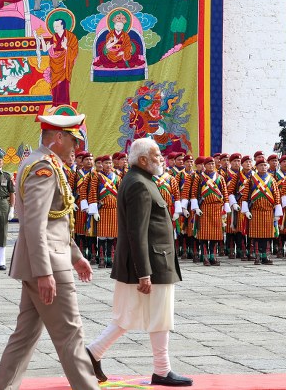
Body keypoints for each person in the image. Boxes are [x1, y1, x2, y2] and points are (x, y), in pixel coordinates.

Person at [0, 108, 99, 390]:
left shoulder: (42, 162)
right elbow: (34, 224)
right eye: (74, 140)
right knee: (71, 335)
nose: (78, 147)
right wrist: (45, 272)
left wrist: (76, 256)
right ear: (59, 137)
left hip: (48, 259)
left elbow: (57, 219)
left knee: (24, 337)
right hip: (50, 264)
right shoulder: (44, 168)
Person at [86, 138, 192, 387]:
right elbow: (137, 231)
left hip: (147, 262)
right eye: (156, 155)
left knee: (127, 317)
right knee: (158, 316)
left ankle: (92, 353)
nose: (161, 159)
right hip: (152, 264)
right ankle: (162, 370)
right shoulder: (139, 184)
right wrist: (145, 273)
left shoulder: (139, 180)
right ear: (142, 160)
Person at [241, 152, 283, 264]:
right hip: (255, 210)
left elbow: (276, 196)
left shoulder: (272, 180)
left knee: (267, 236)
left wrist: (277, 212)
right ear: (257, 167)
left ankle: (265, 255)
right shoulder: (251, 179)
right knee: (256, 236)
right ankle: (257, 256)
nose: (263, 167)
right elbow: (246, 195)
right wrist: (246, 210)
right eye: (261, 165)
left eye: (265, 165)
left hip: (268, 211)